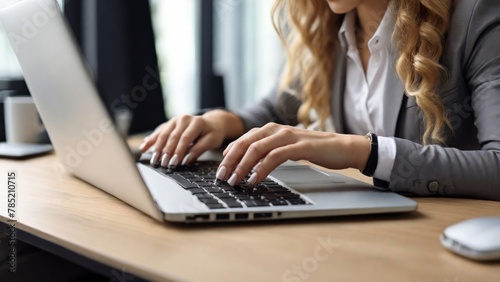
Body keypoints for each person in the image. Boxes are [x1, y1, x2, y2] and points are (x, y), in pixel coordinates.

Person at [140, 0, 500, 201]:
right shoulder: (329, 23)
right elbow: (277, 109)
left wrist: (362, 151)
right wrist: (221, 122)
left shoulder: (474, 13)